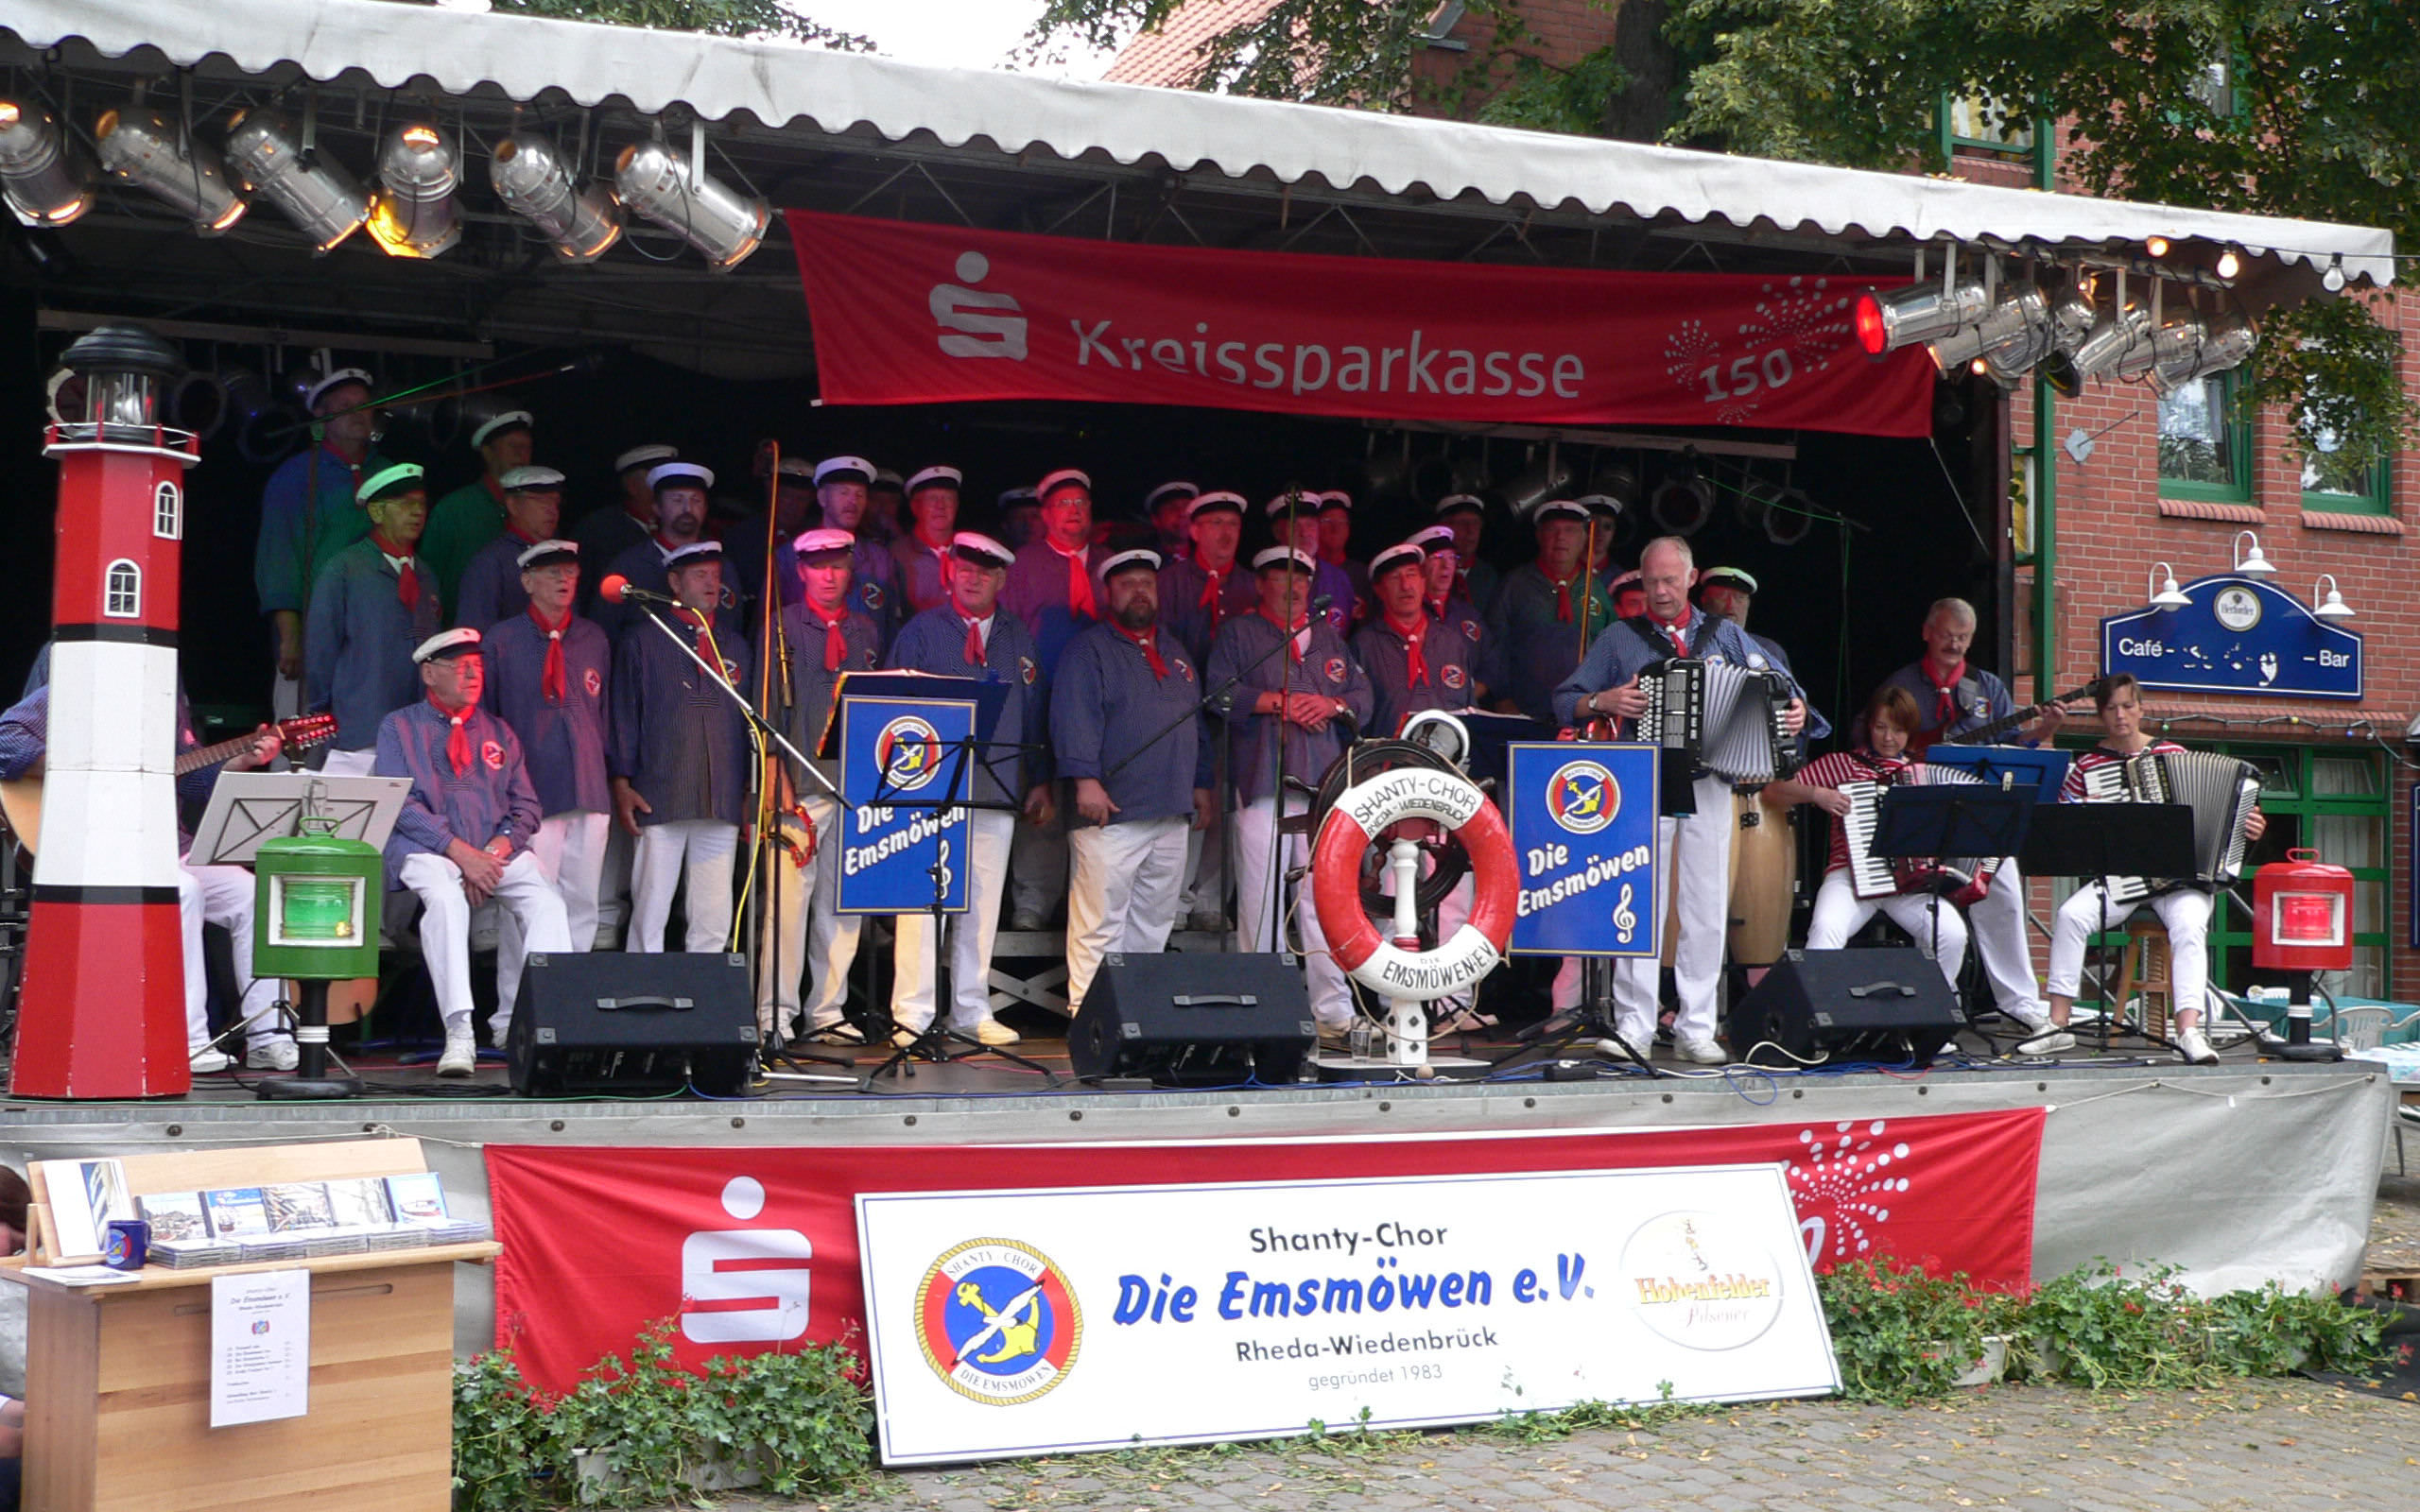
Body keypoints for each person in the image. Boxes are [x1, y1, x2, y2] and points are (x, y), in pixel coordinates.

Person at [1553, 535, 1806, 1062]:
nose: (1661, 591)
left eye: (1670, 580)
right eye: (1651, 582)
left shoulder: (1725, 635)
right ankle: (1635, 1025)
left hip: (1711, 780)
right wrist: (1604, 699)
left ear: (1692, 579)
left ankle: (1696, 1027)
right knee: (1640, 904)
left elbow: (1785, 689)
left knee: (1706, 905)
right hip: (1644, 779)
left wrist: (1797, 710)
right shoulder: (1620, 638)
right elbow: (1564, 700)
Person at [0, 680, 293, 1072]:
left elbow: (189, 778)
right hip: (102, 844)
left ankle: (268, 1037)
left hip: (167, 843)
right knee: (183, 891)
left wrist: (242, 760)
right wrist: (85, 770)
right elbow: (6, 740)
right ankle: (187, 1041)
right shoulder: (87, 680)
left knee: (254, 893)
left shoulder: (166, 691)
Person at [2024, 675, 2262, 1065]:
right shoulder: (2088, 766)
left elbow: (2226, 819)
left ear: (2141, 708)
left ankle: (2189, 1031)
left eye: (2127, 706)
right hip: (2123, 877)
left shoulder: (2173, 754)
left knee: (2189, 926)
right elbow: (2063, 821)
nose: (2120, 715)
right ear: (2100, 714)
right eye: (2111, 708)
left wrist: (2250, 827)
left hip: (2181, 879)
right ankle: (2058, 1024)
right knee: (2070, 916)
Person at [376, 627, 572, 1074]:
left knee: (548, 903)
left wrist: (493, 851)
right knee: (446, 900)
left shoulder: (499, 731)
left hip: (492, 851)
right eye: (461, 667)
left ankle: (539, 1024)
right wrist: (462, 854)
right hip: (427, 849)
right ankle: (459, 1030)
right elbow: (399, 803)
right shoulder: (398, 726)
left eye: (478, 667)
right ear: (430, 674)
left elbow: (527, 806)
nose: (472, 675)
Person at [884, 532, 1051, 1048]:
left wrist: (1039, 779)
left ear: (1001, 579)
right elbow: (894, 706)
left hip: (996, 784)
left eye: (984, 572)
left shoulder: (1017, 635)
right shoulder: (921, 630)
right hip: (930, 788)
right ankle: (912, 1013)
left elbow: (1034, 710)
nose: (972, 578)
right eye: (965, 569)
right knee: (922, 901)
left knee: (981, 904)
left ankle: (971, 1009)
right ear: (950, 573)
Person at [1208, 545, 1374, 1045]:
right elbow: (1218, 693)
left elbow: (1364, 699)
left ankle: (1333, 1010)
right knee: (1261, 904)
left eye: (1301, 578)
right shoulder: (1240, 633)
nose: (1293, 587)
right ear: (1261, 584)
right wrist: (1278, 702)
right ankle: (1262, 1008)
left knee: (1324, 903)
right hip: (1262, 784)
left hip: (1323, 788)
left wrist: (1329, 703)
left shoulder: (1328, 636)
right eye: (1282, 578)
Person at [1876, 596, 2062, 1032]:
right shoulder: (1902, 684)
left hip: (1977, 811)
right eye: (1947, 635)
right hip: (1922, 810)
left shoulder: (1988, 687)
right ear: (1927, 632)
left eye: (1963, 638)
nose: (1955, 644)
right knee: (1928, 908)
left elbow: (2011, 747)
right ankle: (1931, 1010)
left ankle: (2019, 1002)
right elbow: (1875, 740)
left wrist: (2045, 730)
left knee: (2005, 888)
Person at [1052, 548, 1212, 1011]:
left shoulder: (1175, 650)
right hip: (1113, 809)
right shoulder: (1088, 649)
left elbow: (1196, 723)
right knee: (1099, 923)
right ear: (1108, 593)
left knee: (1153, 923)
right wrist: (1085, 779)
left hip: (1170, 808)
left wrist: (1201, 782)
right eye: (1128, 584)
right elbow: (1073, 715)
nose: (1139, 591)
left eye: (1147, 583)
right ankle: (1090, 1018)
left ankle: (1138, 1016)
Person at [756, 527, 883, 1044]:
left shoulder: (865, 630)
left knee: (842, 906)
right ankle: (775, 1013)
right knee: (786, 906)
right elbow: (763, 700)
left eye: (838, 566)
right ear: (802, 571)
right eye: (819, 566)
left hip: (853, 787)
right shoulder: (781, 626)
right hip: (800, 782)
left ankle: (827, 1011)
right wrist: (773, 769)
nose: (829, 576)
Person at [480, 539, 613, 1027]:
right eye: (552, 572)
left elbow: (606, 713)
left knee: (583, 903)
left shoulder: (593, 637)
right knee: (527, 905)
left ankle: (570, 1012)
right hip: (531, 795)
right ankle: (513, 1015)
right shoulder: (502, 640)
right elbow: (487, 722)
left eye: (571, 572)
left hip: (588, 788)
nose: (564, 580)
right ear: (527, 581)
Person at [1760, 686, 1968, 989]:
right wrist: (1817, 794)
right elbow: (1773, 791)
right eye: (1881, 727)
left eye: (1898, 730)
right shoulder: (1842, 764)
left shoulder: (1921, 773)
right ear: (1869, 726)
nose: (1888, 738)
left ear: (1911, 733)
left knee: (1952, 934)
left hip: (1906, 885)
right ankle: (1821, 1009)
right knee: (1825, 930)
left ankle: (1933, 1008)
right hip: (1849, 876)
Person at [611, 541, 753, 954]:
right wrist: (622, 781)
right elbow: (624, 715)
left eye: (716, 575)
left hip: (721, 795)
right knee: (651, 908)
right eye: (700, 575)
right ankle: (642, 986)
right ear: (675, 582)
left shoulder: (734, 645)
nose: (712, 584)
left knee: (714, 915)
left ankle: (705, 990)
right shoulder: (643, 640)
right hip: (661, 791)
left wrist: (747, 787)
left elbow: (747, 725)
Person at [255, 366, 384, 720]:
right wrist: (290, 636)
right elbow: (280, 560)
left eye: (364, 405)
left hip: (375, 628)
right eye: (345, 406)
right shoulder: (295, 476)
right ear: (322, 416)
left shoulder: (389, 473)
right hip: (317, 626)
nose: (358, 413)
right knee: (303, 728)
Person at [1000, 468, 1098, 929]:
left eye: (1080, 502)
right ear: (1045, 514)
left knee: (1090, 806)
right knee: (1041, 802)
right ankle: (1033, 903)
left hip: (1097, 704)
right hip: (1040, 696)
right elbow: (1008, 631)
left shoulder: (1108, 563)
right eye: (1063, 504)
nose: (1073, 511)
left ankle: (1083, 904)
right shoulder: (1023, 564)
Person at [304, 463, 444, 774]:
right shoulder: (344, 569)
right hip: (361, 728)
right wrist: (323, 715)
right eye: (405, 504)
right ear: (377, 512)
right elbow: (320, 652)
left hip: (417, 733)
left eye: (421, 504)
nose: (417, 513)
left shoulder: (426, 576)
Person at [1158, 490, 1253, 933]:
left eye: (1233, 524)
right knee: (1187, 804)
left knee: (1228, 808)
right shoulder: (1170, 582)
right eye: (1215, 524)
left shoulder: (1251, 584)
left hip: (1236, 716)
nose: (1225, 533)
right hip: (1183, 711)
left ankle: (1212, 901)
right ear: (1194, 530)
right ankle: (1176, 901)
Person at [1489, 499, 1614, 727]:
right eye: (1552, 530)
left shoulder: (1595, 588)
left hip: (1582, 714)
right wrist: (1502, 697)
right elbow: (1495, 645)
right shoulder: (1515, 585)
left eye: (1570, 530)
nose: (1561, 538)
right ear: (1539, 536)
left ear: (1584, 538)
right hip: (1523, 712)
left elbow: (1612, 648)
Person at [1353, 541, 1478, 736]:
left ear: (1423, 582)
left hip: (1446, 753)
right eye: (1395, 578)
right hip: (1387, 753)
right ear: (1379, 590)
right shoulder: (1364, 644)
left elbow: (1470, 710)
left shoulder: (1452, 642)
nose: (1405, 586)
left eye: (1411, 574)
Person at [1697, 565, 1831, 745]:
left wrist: (1798, 712)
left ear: (1748, 604)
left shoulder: (1769, 650)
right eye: (1722, 596)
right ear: (1704, 600)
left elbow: (1789, 713)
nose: (1731, 605)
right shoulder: (1689, 643)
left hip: (1756, 750)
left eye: (1740, 598)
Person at [423, 410, 534, 621]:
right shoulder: (454, 509)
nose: (521, 454)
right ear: (488, 452)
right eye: (512, 446)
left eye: (526, 447)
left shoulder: (538, 511)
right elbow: (427, 578)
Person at [596, 460, 714, 640]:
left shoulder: (722, 567)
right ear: (657, 507)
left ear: (705, 509)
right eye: (677, 500)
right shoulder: (628, 567)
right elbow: (604, 634)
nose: (687, 508)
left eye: (695, 500)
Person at [453, 466, 565, 628]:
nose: (552, 509)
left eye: (555, 501)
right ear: (513, 506)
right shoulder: (490, 563)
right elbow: (473, 632)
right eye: (540, 500)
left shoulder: (563, 557)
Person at [571, 442, 675, 613]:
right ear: (631, 486)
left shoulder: (681, 527)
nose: (665, 486)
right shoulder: (598, 529)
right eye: (655, 478)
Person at [810, 455, 901, 642]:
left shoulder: (880, 559)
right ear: (822, 498)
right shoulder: (791, 556)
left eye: (859, 495)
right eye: (844, 493)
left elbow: (891, 626)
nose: (852, 502)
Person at [1409, 524, 1500, 704]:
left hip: (1465, 711)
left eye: (1452, 558)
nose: (1446, 566)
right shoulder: (1406, 614)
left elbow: (1491, 662)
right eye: (1438, 558)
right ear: (1419, 565)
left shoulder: (1468, 614)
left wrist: (1465, 697)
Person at [723, 455, 817, 622]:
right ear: (770, 492)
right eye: (786, 495)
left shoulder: (815, 542)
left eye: (801, 499)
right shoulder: (740, 538)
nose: (793, 505)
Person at [1266, 490, 1356, 632]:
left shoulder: (1339, 579)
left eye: (1310, 524)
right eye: (1295, 526)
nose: (1305, 533)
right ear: (1277, 532)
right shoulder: (1265, 579)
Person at [890, 466, 963, 615]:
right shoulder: (895, 554)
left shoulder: (970, 551)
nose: (940, 506)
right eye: (932, 499)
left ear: (956, 505)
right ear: (915, 506)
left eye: (948, 498)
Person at [1432, 493, 1498, 611]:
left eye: (1476, 523)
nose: (1471, 530)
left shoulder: (1489, 576)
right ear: (1444, 527)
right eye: (1462, 523)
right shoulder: (1428, 571)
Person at [1315, 490, 1369, 605]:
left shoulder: (1362, 574)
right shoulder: (1304, 571)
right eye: (1327, 521)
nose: (1335, 528)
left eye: (1342, 521)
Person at [1145, 480, 1197, 561]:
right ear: (1155, 520)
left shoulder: (1209, 553)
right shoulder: (1145, 557)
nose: (1182, 513)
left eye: (1187, 507)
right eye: (1172, 508)